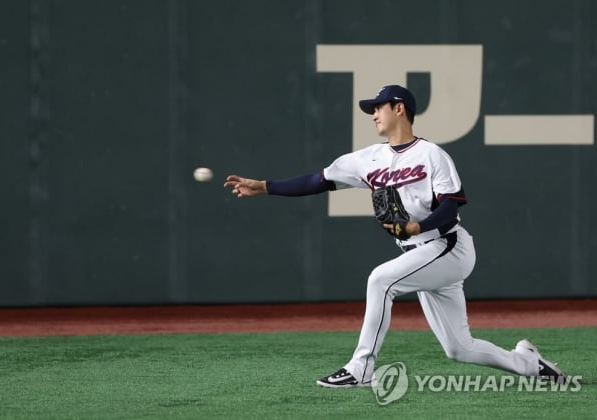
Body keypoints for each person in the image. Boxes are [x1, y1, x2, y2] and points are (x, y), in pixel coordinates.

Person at [223, 84, 566, 387]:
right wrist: (265, 187)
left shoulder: (431, 154)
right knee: (460, 349)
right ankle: (528, 362)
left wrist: (419, 225)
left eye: (378, 107)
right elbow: (318, 181)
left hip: (447, 246)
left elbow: (452, 204)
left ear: (399, 108)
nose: (373, 115)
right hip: (419, 256)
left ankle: (362, 368)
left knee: (380, 280)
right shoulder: (368, 159)